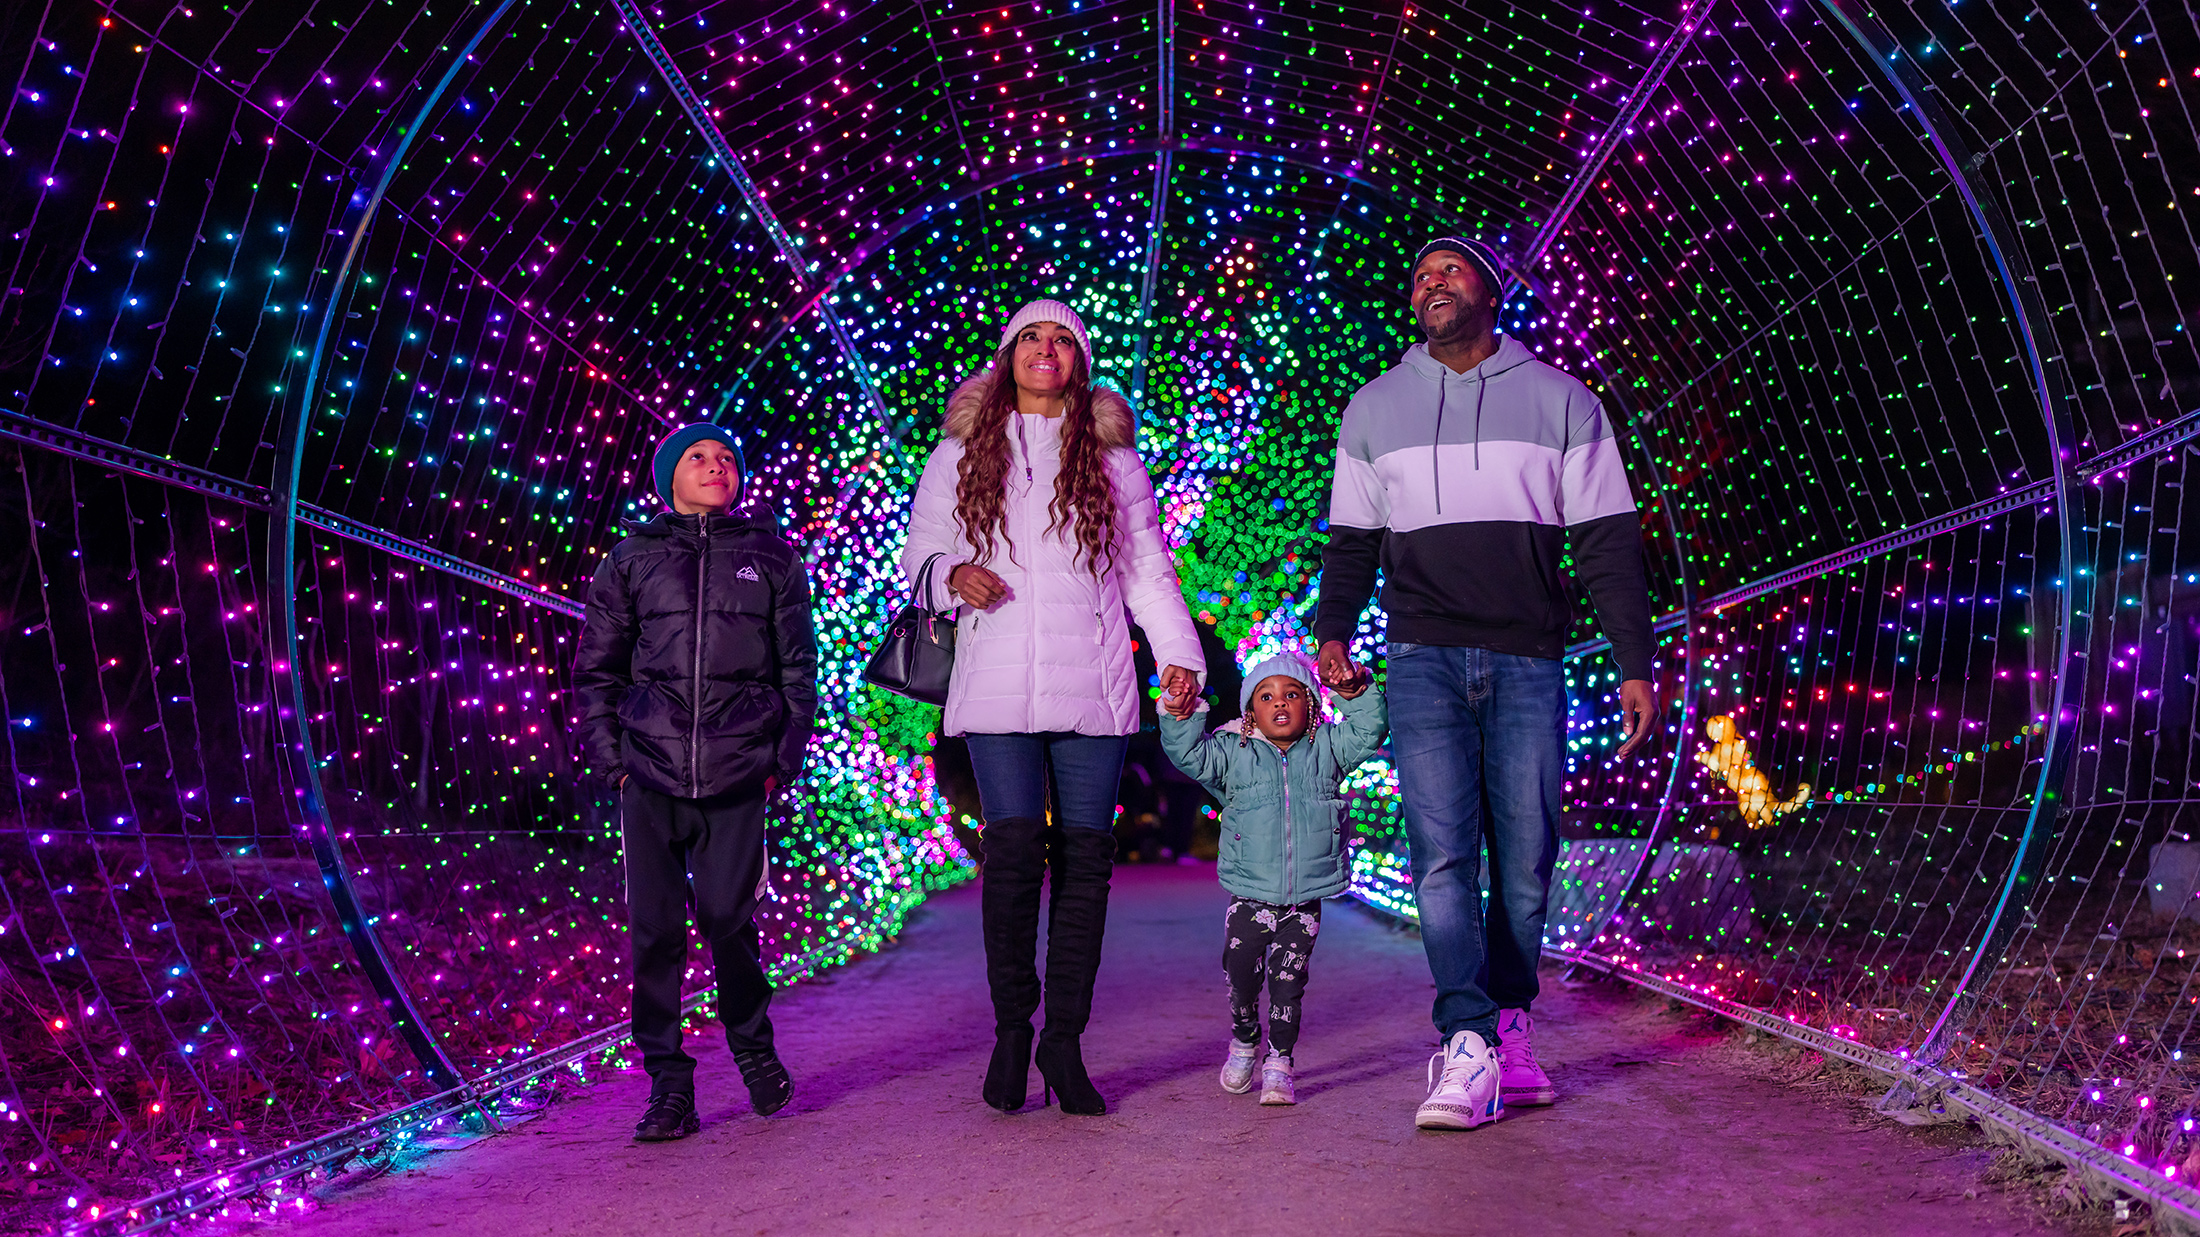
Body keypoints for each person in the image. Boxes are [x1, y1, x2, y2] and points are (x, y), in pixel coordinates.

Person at [1314, 237, 1659, 1131]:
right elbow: (1352, 541)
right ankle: (1465, 1037)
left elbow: (1608, 539)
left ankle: (1511, 1025)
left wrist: (1634, 659)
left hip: (1528, 656)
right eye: (1419, 274)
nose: (1430, 281)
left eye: (1449, 269)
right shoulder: (1374, 406)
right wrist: (1333, 630)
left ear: (1490, 291)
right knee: (1441, 855)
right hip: (1420, 655)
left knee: (1528, 855)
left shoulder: (1563, 400)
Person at [901, 299, 1204, 1116]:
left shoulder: (1113, 461)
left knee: (1085, 860)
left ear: (1081, 360)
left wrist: (1178, 656)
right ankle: (1011, 1030)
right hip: (995, 681)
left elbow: (1147, 571)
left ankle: (1062, 1041)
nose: (1046, 348)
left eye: (1063, 338)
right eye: (1031, 336)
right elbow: (918, 553)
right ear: (1007, 354)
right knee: (1010, 853)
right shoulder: (961, 450)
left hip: (1094, 682)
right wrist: (949, 575)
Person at [573, 423, 818, 1142]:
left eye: (727, 458)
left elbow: (798, 670)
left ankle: (753, 1049)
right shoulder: (631, 558)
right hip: (648, 776)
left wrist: (780, 760)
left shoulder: (771, 558)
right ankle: (669, 1087)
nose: (716, 466)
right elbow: (597, 669)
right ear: (668, 478)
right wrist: (615, 762)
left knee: (727, 919)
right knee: (654, 933)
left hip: (738, 774)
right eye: (698, 457)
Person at [1156, 650, 1386, 1106]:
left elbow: (1370, 728)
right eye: (1266, 696)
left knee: (1288, 984)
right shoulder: (1232, 752)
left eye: (1292, 694)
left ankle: (1280, 1061)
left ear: (1310, 705)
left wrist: (1353, 691)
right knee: (1241, 976)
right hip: (1250, 895)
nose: (1280, 702)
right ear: (1250, 712)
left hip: (1304, 900)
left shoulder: (1328, 747)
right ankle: (1244, 1039)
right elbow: (1188, 753)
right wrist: (1180, 713)